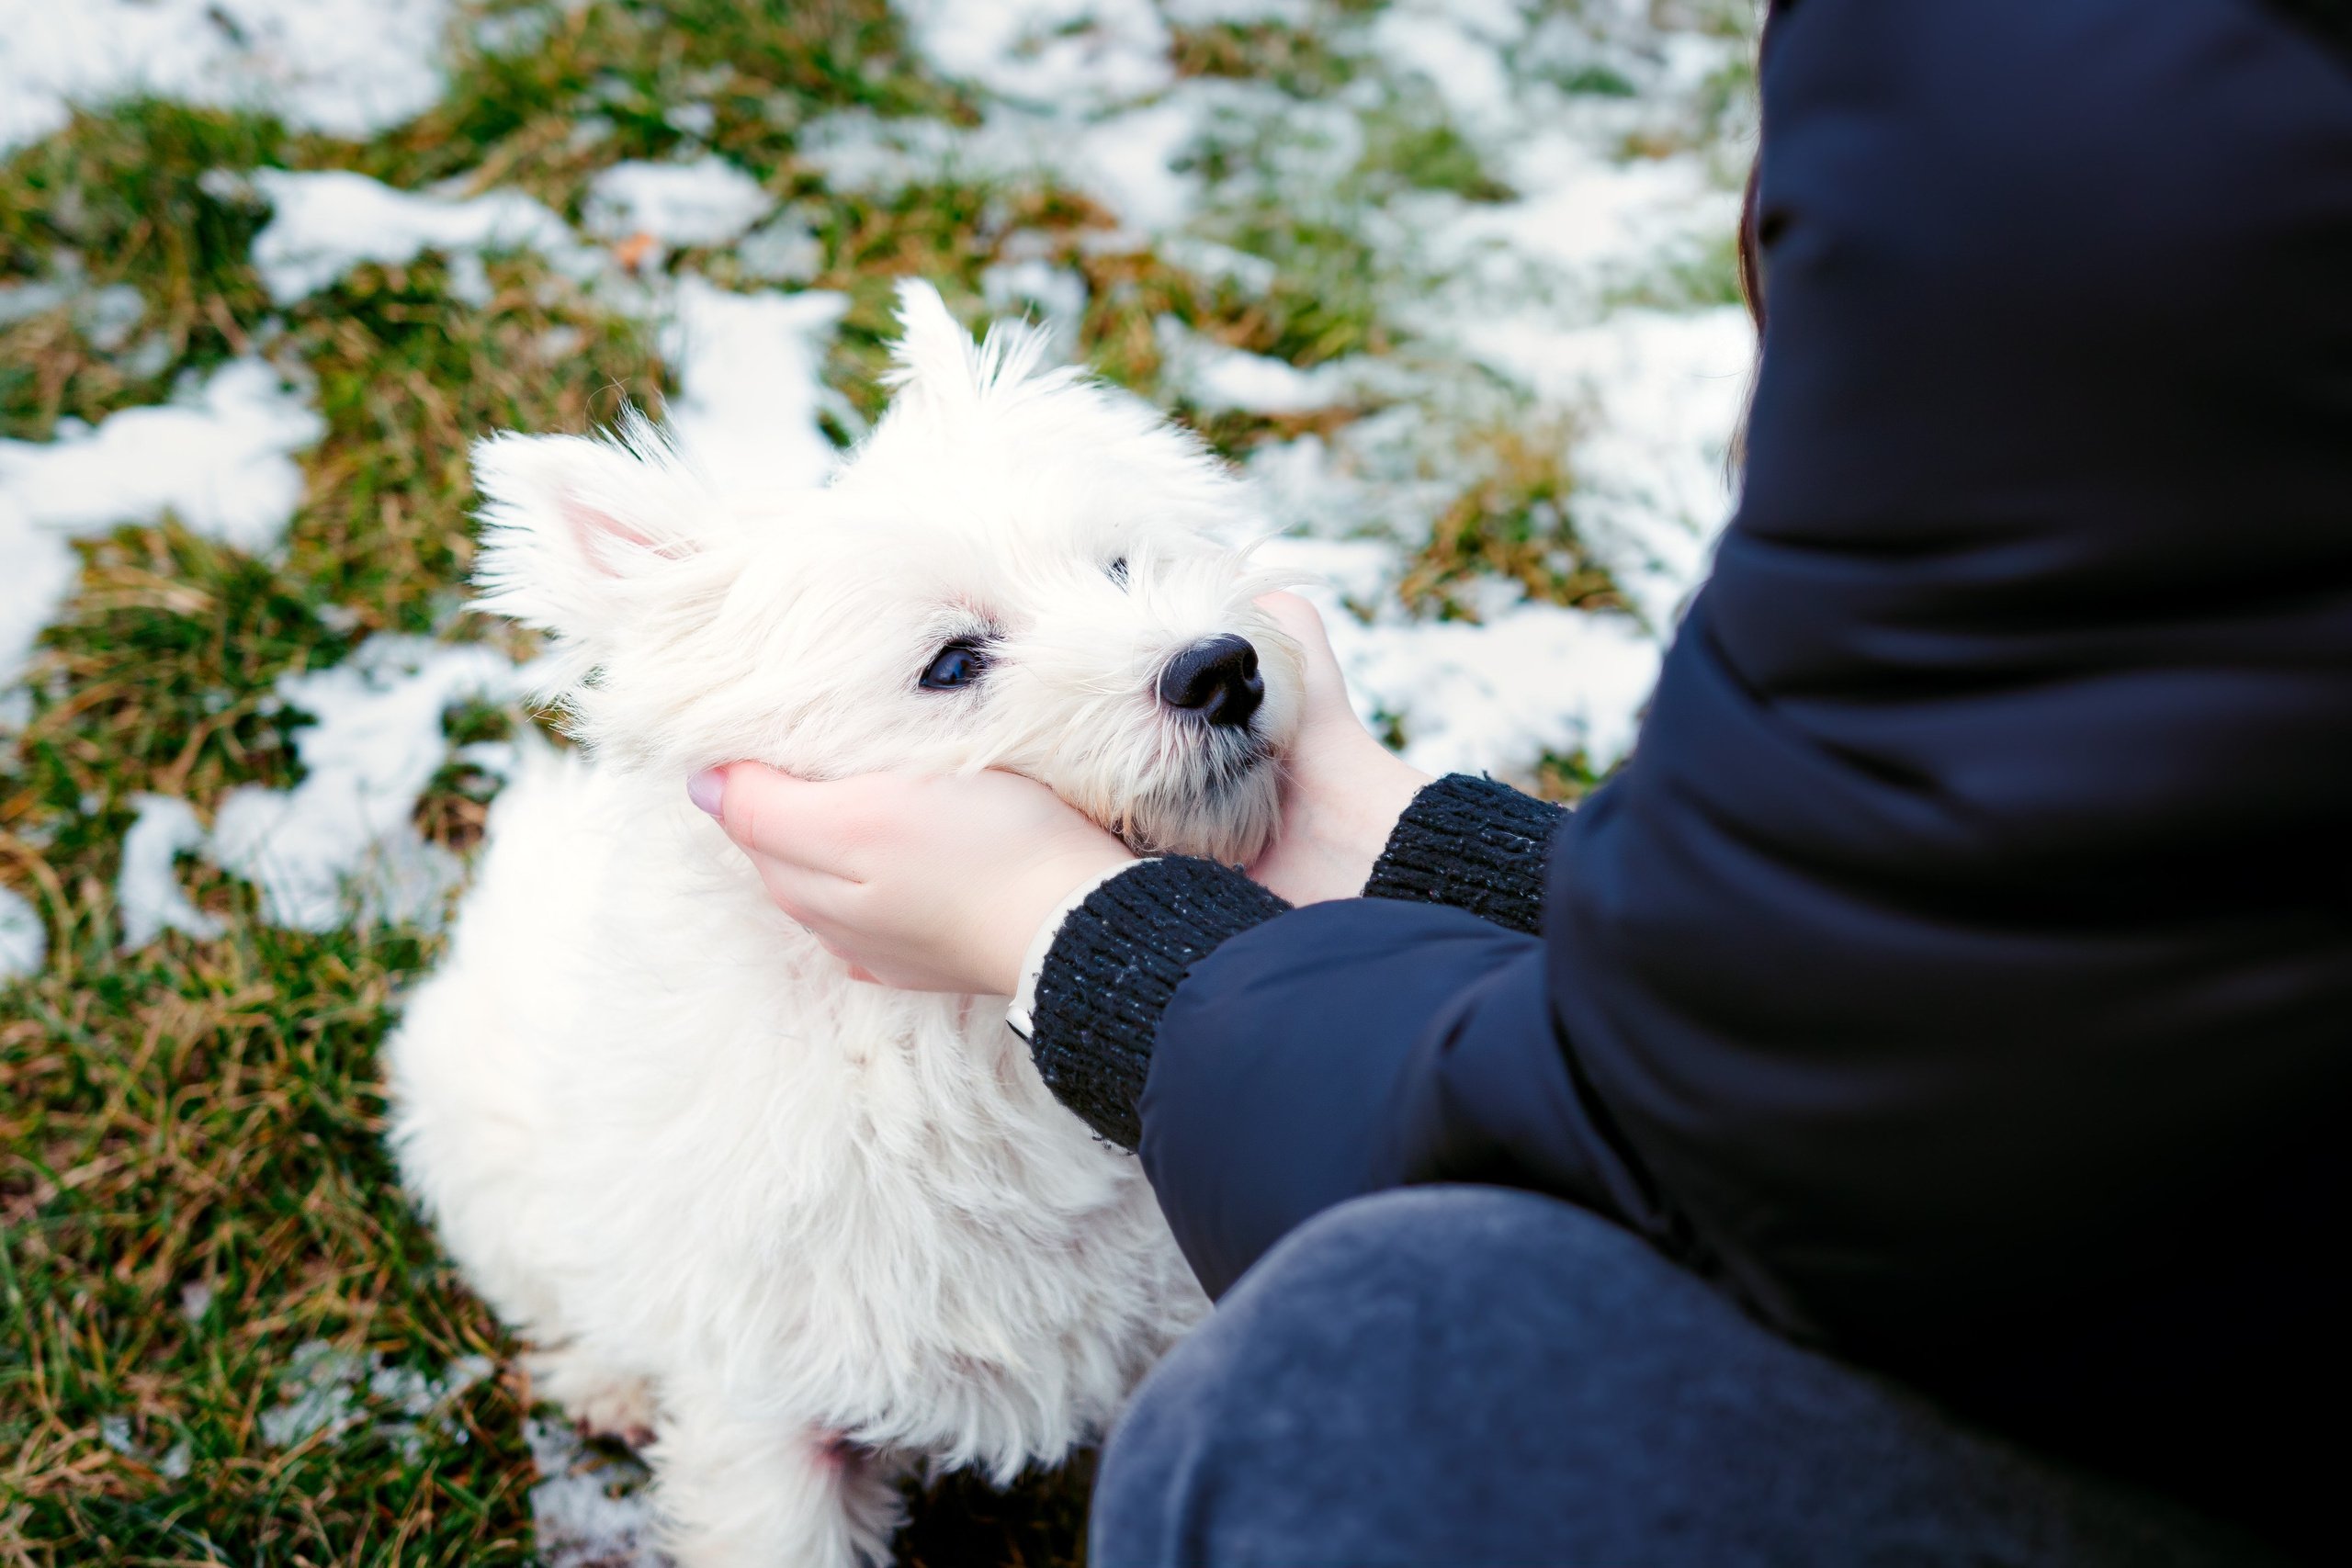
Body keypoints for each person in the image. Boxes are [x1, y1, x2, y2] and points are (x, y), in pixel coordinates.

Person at [688, 1, 2352, 1560]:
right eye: (960, 662)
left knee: (1331, 1400)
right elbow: (2042, 986)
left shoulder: (2063, 128)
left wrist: (1075, 940)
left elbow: (1768, 1154)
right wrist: (1416, 847)